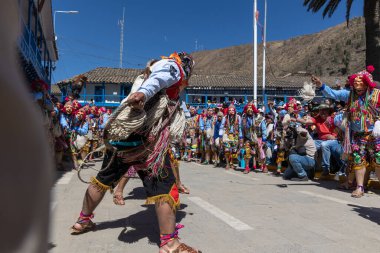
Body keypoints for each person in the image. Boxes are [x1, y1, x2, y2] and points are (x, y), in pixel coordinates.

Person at [71, 52, 200, 253]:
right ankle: (169, 244)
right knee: (164, 188)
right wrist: (143, 94)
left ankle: (83, 221)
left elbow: (155, 81)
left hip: (124, 138)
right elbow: (160, 79)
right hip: (148, 142)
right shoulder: (174, 67)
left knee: (103, 179)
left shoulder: (145, 75)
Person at [312, 66, 380, 198]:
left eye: (361, 86)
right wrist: (321, 85)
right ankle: (359, 187)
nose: (358, 89)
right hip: (357, 136)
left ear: (368, 84)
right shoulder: (349, 95)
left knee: (378, 160)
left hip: (374, 135)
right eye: (356, 86)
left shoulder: (377, 95)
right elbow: (333, 94)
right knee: (358, 160)